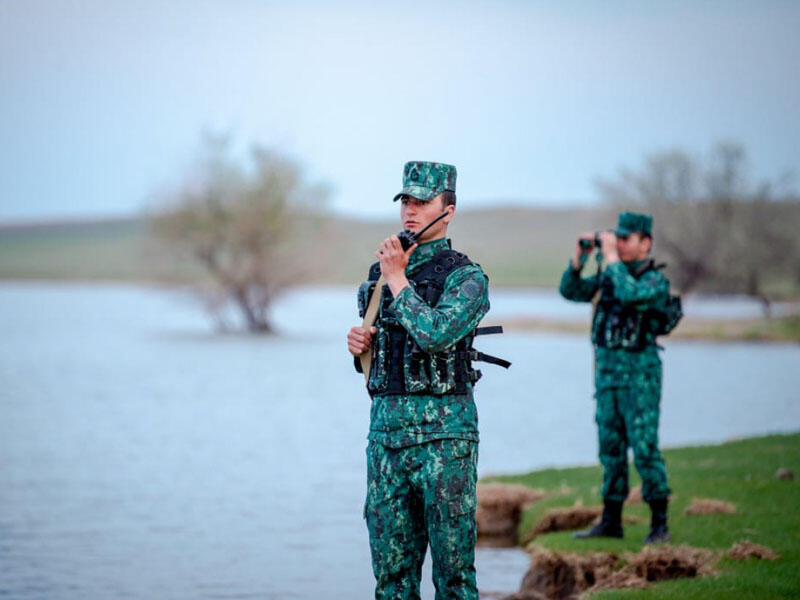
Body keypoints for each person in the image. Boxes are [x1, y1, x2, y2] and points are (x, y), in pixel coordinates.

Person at [347, 161, 490, 600]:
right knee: (391, 578)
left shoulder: (466, 278)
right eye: (405, 201)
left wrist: (396, 277)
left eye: (422, 202)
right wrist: (360, 345)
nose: (410, 211)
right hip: (386, 441)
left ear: (447, 211)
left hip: (444, 441)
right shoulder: (376, 280)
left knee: (453, 577)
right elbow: (384, 359)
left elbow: (436, 335)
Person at [560, 212, 672, 544]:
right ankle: (611, 521)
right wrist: (579, 260)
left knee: (645, 448)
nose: (619, 244)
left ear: (645, 242)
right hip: (607, 377)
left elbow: (630, 295)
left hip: (640, 378)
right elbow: (571, 291)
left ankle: (659, 524)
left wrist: (609, 259)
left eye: (626, 239)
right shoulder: (611, 274)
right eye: (616, 238)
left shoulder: (653, 282)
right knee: (610, 448)